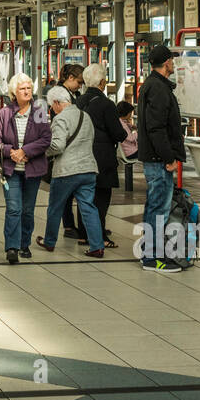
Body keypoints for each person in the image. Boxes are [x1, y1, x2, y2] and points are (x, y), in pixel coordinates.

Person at [0, 73, 50, 263]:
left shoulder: (38, 112)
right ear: (14, 92)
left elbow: (46, 139)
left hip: (33, 170)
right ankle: (12, 247)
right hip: (11, 170)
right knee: (14, 208)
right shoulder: (5, 113)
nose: (26, 92)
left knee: (28, 210)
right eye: (22, 88)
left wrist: (25, 151)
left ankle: (25, 244)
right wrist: (10, 152)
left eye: (29, 88)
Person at [36, 85, 104, 257]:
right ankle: (97, 246)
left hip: (67, 171)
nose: (52, 109)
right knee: (88, 207)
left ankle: (49, 242)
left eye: (52, 105)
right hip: (88, 168)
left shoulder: (60, 119)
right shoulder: (85, 116)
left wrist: (42, 151)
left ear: (58, 103)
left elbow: (58, 146)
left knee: (55, 207)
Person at [136, 44, 185, 272]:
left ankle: (148, 250)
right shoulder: (158, 88)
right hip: (158, 159)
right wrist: (168, 157)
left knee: (153, 205)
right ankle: (153, 257)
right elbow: (157, 128)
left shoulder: (152, 85)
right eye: (172, 61)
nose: (173, 64)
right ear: (166, 63)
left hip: (154, 157)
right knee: (159, 208)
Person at [78, 63, 128, 249]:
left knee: (84, 195)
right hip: (101, 156)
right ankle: (99, 236)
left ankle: (83, 234)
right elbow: (117, 133)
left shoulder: (79, 101)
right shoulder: (106, 104)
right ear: (102, 82)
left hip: (81, 153)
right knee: (101, 196)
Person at [56, 62, 86, 237]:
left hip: (71, 145)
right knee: (65, 188)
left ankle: (71, 224)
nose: (80, 86)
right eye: (79, 82)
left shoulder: (73, 94)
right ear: (70, 78)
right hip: (65, 144)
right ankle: (68, 225)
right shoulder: (60, 95)